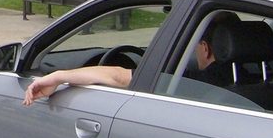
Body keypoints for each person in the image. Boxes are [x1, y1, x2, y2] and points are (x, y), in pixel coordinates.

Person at [22, 10, 242, 105]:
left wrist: (59, 76)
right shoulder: (260, 78)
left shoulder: (194, 84)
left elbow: (117, 77)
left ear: (204, 48)